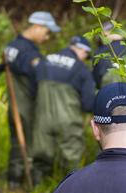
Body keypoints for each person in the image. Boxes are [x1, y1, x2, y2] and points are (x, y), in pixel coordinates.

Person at [4, 11, 60, 187]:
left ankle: (14, 179)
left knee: (17, 142)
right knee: (29, 143)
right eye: (46, 31)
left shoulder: (12, 46)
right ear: (37, 27)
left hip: (14, 104)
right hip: (26, 103)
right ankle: (25, 182)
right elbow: (38, 72)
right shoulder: (28, 52)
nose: (47, 36)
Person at [32, 35, 96, 177]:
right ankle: (70, 190)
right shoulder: (81, 68)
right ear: (83, 51)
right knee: (71, 157)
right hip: (68, 120)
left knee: (41, 156)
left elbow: (32, 88)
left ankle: (37, 190)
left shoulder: (44, 60)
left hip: (43, 118)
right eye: (86, 55)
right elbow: (88, 103)